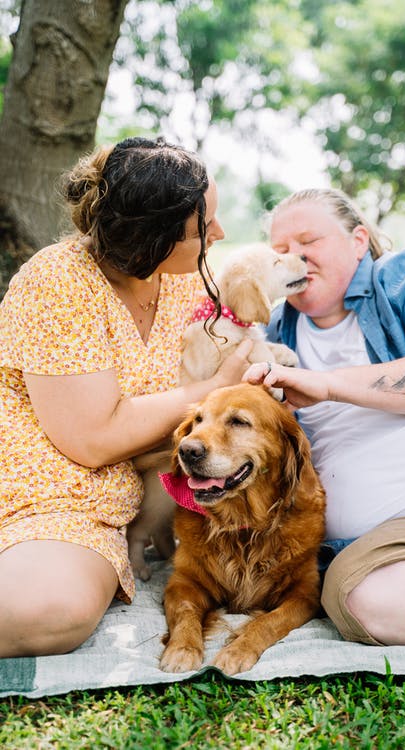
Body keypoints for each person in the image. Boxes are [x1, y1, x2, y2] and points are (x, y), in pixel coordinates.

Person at [0, 136, 253, 657]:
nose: (221, 235)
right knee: (51, 611)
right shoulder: (57, 281)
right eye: (204, 228)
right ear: (151, 239)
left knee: (50, 609)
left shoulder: (180, 282)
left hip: (109, 506)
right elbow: (91, 440)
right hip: (40, 498)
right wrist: (212, 389)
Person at [243, 187, 405, 652]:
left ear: (358, 240)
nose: (294, 257)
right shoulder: (274, 332)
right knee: (361, 593)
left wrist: (328, 383)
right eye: (279, 252)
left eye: (308, 241)